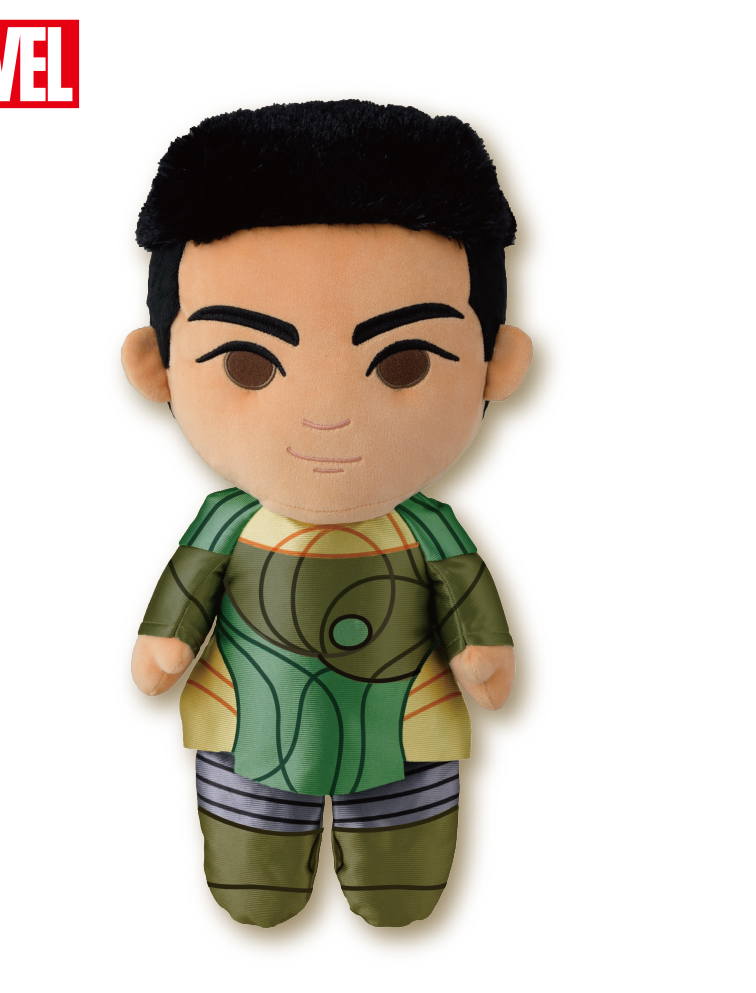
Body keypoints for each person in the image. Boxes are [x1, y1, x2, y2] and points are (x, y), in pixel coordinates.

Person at [121, 100, 532, 927]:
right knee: (251, 849)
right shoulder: (226, 523)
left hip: (409, 718)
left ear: (495, 363)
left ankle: (395, 874)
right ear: (157, 366)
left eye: (405, 362)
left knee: (405, 843)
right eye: (247, 363)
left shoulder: (429, 528)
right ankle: (258, 875)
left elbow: (463, 599)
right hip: (245, 713)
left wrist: (480, 649)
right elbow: (187, 595)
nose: (327, 415)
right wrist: (166, 641)